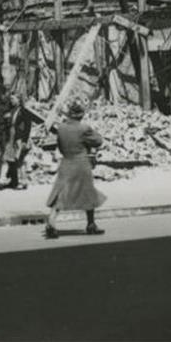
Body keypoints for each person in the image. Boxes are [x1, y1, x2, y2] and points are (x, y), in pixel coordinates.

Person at [44, 99, 106, 239]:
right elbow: (98, 141)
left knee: (61, 193)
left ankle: (51, 222)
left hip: (66, 162)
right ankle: (91, 224)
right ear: (80, 115)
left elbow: (60, 146)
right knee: (88, 194)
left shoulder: (61, 128)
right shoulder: (84, 128)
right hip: (81, 164)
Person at [1, 93, 33, 190]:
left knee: (19, 160)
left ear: (19, 100)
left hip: (19, 138)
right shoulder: (11, 110)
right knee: (9, 160)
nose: (11, 101)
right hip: (11, 137)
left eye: (13, 99)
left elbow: (28, 126)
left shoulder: (24, 111)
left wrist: (24, 140)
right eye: (11, 99)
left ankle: (23, 182)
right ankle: (13, 181)